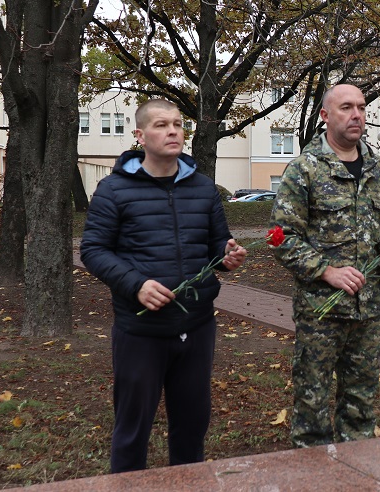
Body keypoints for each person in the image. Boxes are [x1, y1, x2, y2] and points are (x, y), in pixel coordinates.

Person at [80, 99, 247, 472]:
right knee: (132, 432)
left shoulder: (204, 188)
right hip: (141, 331)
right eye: (161, 125)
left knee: (191, 429)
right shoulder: (113, 189)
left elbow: (217, 246)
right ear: (140, 136)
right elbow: (93, 250)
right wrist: (136, 285)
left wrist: (228, 256)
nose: (172, 131)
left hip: (197, 326)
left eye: (177, 124)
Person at [269, 84, 380, 448]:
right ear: (325, 116)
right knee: (312, 405)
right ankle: (313, 471)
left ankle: (356, 469)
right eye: (346, 107)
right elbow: (281, 237)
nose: (357, 114)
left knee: (361, 404)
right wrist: (327, 271)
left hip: (368, 309)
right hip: (320, 312)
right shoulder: (305, 169)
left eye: (361, 107)